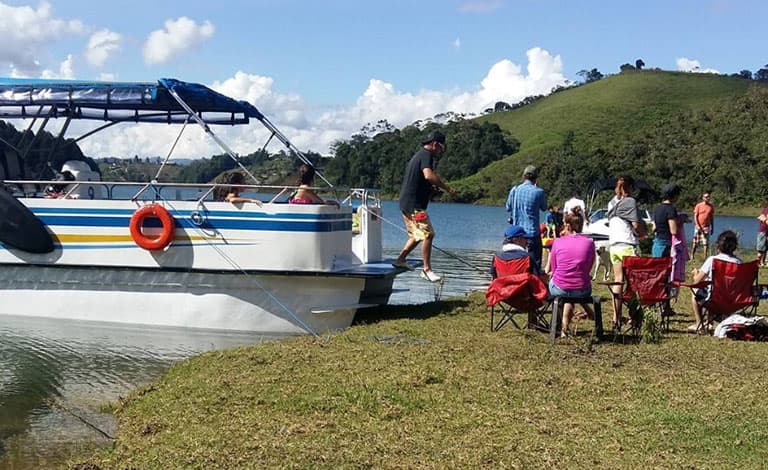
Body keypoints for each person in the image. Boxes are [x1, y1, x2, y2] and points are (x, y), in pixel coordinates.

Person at [393, 130, 457, 282]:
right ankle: (427, 270)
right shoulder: (426, 155)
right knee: (428, 234)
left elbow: (422, 179)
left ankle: (400, 260)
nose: (442, 151)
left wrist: (430, 189)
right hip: (414, 205)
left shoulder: (420, 155)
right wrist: (447, 188)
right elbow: (428, 175)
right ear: (435, 144)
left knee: (417, 235)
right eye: (442, 147)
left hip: (406, 202)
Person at [547, 207, 595, 336]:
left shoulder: (557, 242)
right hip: (582, 289)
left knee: (562, 285)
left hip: (560, 288)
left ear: (567, 226)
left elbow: (554, 268)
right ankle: (565, 325)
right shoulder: (590, 242)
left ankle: (562, 326)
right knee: (573, 288)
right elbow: (589, 267)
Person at [606, 175, 645, 328]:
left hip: (614, 246)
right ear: (631, 187)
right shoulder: (630, 202)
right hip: (627, 245)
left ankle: (616, 317)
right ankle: (634, 316)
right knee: (634, 283)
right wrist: (642, 232)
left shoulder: (611, 203)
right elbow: (636, 226)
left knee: (618, 280)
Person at [688, 230, 742, 332]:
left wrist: (695, 273)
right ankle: (710, 323)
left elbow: (696, 282)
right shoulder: (739, 262)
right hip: (733, 300)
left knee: (696, 291)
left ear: (718, 246)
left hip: (714, 298)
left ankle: (699, 324)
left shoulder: (712, 260)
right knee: (711, 290)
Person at [505, 165, 547, 274]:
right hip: (532, 233)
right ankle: (534, 285)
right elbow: (544, 207)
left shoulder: (515, 190)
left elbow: (508, 207)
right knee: (535, 263)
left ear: (524, 177)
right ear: (536, 178)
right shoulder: (539, 192)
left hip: (516, 233)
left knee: (517, 262)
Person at [652, 183, 681, 258]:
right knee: (665, 268)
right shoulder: (671, 209)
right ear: (674, 195)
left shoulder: (657, 208)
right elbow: (673, 231)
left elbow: (654, 228)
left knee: (656, 267)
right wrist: (680, 222)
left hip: (657, 244)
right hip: (665, 244)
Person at [690, 192, 714, 259]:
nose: (708, 198)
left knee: (705, 243)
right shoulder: (698, 205)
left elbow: (711, 217)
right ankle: (692, 256)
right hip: (698, 227)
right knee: (695, 243)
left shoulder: (711, 206)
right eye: (706, 197)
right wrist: (697, 225)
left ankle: (705, 257)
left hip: (706, 227)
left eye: (708, 197)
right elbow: (695, 216)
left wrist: (712, 227)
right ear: (703, 198)